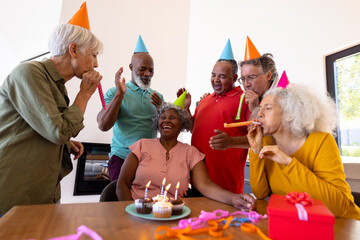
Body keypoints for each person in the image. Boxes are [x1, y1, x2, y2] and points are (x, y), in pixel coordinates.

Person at [0, 4, 103, 214]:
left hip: (42, 195)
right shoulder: (29, 73)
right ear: (73, 49)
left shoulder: (57, 86)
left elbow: (46, 129)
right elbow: (58, 130)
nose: (96, 64)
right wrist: (84, 95)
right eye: (93, 55)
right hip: (13, 197)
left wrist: (66, 144)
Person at [247, 83, 360, 219]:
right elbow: (260, 193)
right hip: (302, 223)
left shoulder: (321, 141)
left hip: (345, 226)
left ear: (289, 114)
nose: (259, 113)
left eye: (268, 108)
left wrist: (289, 163)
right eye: (260, 108)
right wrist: (255, 151)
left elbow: (339, 206)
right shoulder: (266, 144)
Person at [116, 102, 255, 210]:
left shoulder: (191, 152)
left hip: (173, 215)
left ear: (182, 124)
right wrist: (130, 209)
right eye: (162, 117)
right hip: (138, 212)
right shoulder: (142, 145)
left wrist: (234, 198)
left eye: (172, 118)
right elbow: (122, 182)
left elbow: (205, 185)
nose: (166, 121)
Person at [180, 39, 250, 194]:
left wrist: (231, 142)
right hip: (198, 179)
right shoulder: (205, 100)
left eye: (222, 76)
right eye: (213, 75)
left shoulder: (244, 100)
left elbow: (255, 140)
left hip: (226, 183)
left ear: (234, 77)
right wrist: (186, 109)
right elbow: (195, 130)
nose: (216, 80)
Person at [97, 35, 164, 182]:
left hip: (149, 160)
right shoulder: (114, 92)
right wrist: (120, 95)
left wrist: (161, 109)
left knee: (147, 203)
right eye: (142, 69)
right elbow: (103, 125)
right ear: (131, 67)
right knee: (120, 203)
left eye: (151, 70)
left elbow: (165, 131)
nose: (147, 74)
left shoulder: (157, 97)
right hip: (122, 158)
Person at [239, 36, 279, 113]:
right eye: (243, 79)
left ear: (268, 75)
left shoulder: (284, 97)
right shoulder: (249, 99)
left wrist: (255, 109)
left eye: (251, 77)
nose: (246, 84)